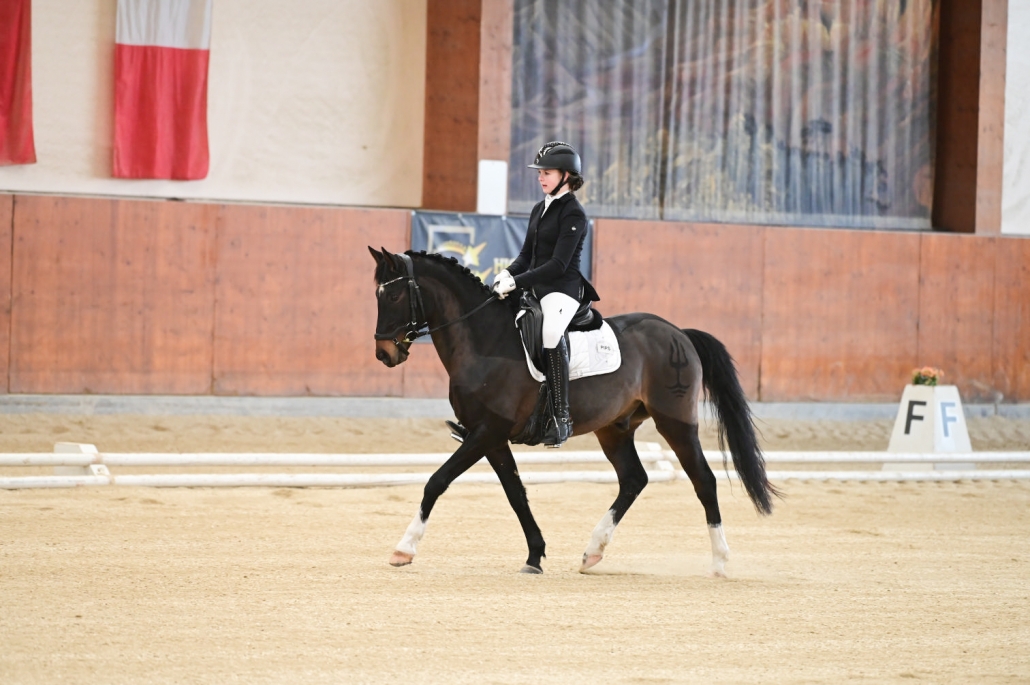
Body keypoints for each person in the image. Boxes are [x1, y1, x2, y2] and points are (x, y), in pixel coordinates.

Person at [492, 141, 600, 448]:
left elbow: (557, 265)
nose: (541, 177)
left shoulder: (574, 214)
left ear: (567, 176)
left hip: (562, 290)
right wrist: (508, 274)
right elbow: (526, 254)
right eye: (540, 172)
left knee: (551, 333)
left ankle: (562, 418)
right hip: (536, 287)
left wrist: (518, 282)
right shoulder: (539, 208)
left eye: (547, 172)